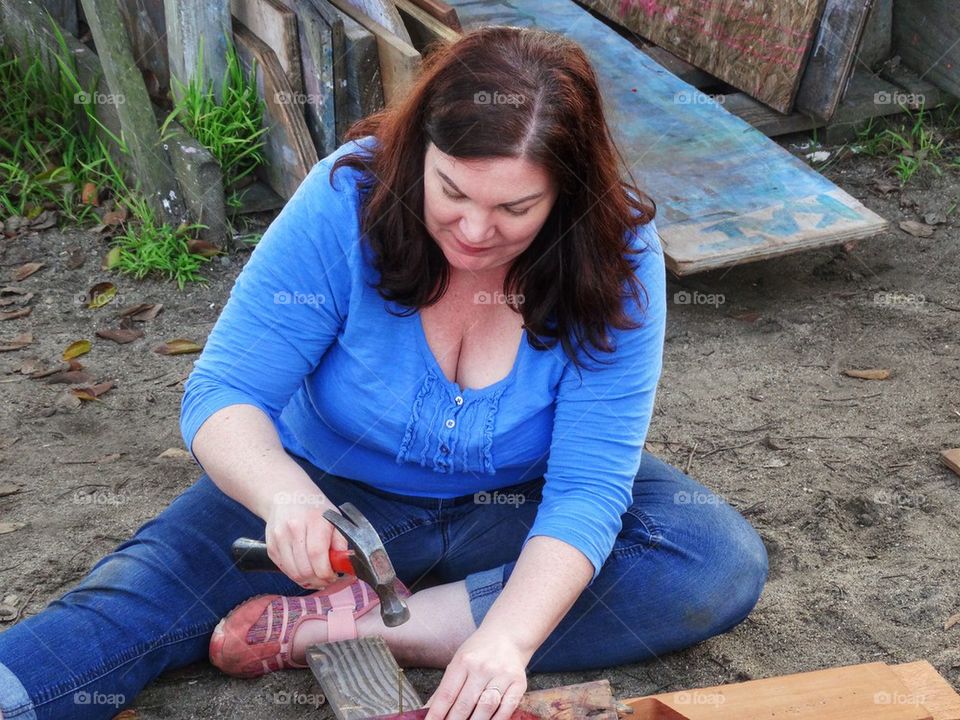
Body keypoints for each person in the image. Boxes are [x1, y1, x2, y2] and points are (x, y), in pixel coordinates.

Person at [0, 26, 767, 720]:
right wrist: (288, 502)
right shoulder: (349, 199)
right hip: (327, 496)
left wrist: (506, 643)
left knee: (711, 560)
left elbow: (590, 488)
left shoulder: (616, 252)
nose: (473, 230)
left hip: (514, 505)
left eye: (514, 209)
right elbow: (223, 394)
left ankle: (357, 626)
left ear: (567, 192)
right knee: (130, 605)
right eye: (453, 191)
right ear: (421, 154)